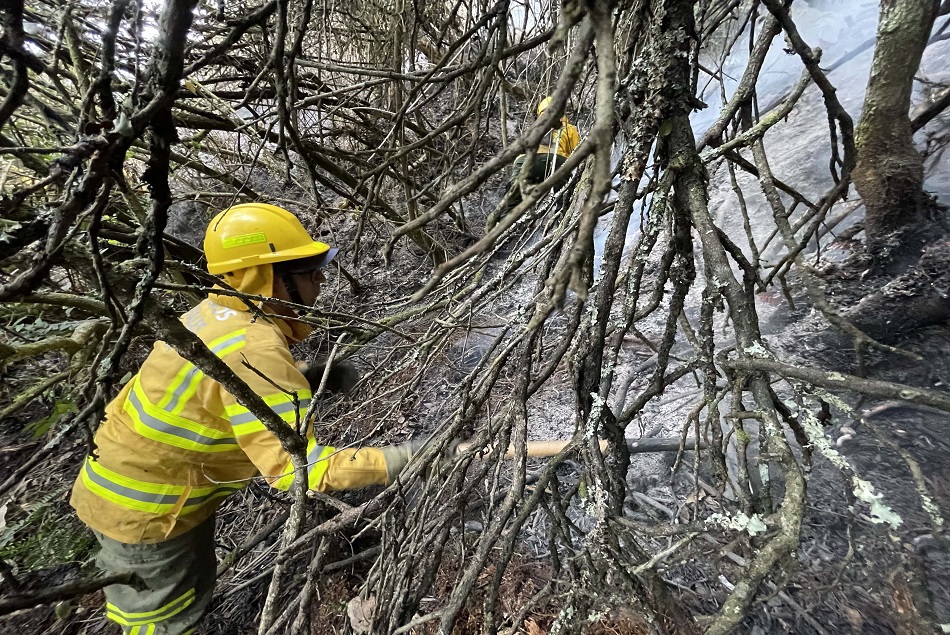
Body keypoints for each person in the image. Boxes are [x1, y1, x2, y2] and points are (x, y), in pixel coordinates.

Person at [70, 203, 421, 635]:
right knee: (162, 623)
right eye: (310, 272)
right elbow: (300, 471)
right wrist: (404, 457)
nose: (321, 281)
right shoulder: (253, 347)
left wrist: (304, 379)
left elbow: (219, 391)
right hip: (147, 515)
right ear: (266, 278)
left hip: (135, 489)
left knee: (187, 599)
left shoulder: (210, 314)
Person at [491, 96, 581, 227]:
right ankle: (561, 220)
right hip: (555, 160)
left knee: (514, 195)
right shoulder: (569, 129)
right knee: (564, 190)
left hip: (525, 162)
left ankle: (503, 226)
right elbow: (576, 155)